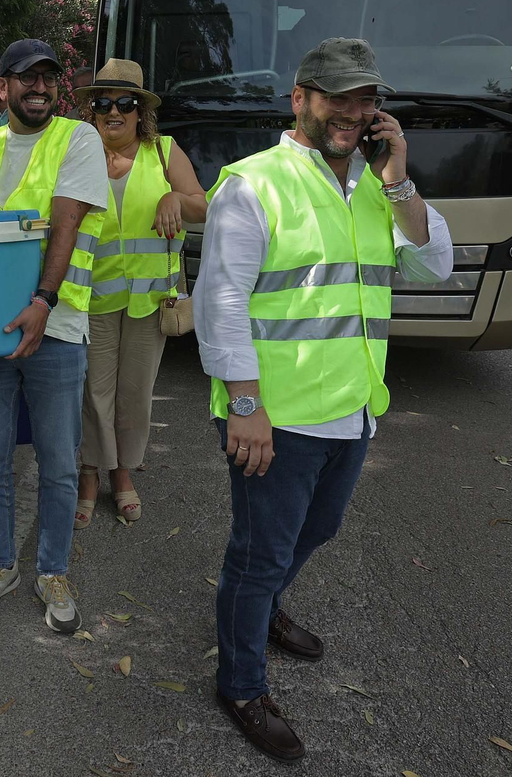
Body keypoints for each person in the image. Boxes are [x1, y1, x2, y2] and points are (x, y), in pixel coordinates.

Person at [193, 39, 453, 763]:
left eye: (365, 99)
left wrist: (399, 182)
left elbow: (436, 262)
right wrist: (245, 404)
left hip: (354, 408)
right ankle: (241, 683)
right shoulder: (254, 183)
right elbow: (220, 301)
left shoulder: (375, 187)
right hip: (277, 415)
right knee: (258, 550)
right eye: (337, 96)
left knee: (322, 528)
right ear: (299, 99)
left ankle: (267, 607)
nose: (352, 111)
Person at [0, 39, 108, 634]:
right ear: (0, 87)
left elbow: (66, 221)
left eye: (48, 79)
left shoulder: (78, 139)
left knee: (59, 462)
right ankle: (2, 564)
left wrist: (42, 301)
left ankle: (52, 569)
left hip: (54, 327)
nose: (40, 88)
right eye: (26, 79)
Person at [73, 59, 206, 528]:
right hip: (92, 298)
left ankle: (122, 475)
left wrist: (175, 198)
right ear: (92, 110)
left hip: (150, 302)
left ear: (139, 111)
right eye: (103, 102)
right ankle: (89, 474)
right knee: (94, 392)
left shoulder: (164, 151)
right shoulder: (77, 153)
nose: (114, 111)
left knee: (135, 394)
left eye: (124, 103)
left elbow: (202, 206)